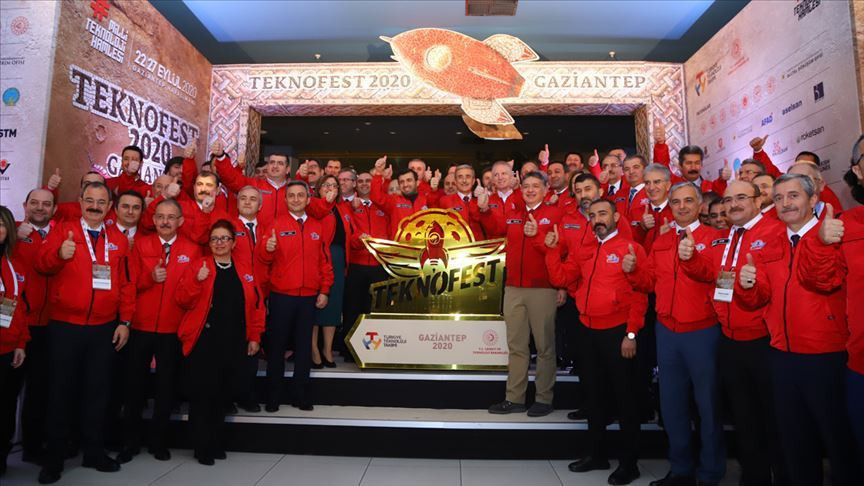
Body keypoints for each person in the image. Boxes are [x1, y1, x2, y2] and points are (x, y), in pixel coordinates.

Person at [737, 173, 859, 486]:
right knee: (795, 439)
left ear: (813, 199)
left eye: (793, 196)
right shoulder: (771, 242)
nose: (785, 203)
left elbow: (823, 281)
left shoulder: (831, 234)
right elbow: (759, 299)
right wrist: (748, 286)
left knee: (837, 439)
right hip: (781, 354)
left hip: (825, 355)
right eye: (778, 198)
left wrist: (820, 242)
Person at [679, 180, 786, 485]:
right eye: (728, 199)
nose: (733, 204)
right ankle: (754, 478)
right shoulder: (727, 238)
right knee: (744, 418)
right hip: (730, 339)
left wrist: (750, 287)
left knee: (775, 419)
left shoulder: (775, 232)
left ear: (758, 200)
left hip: (764, 341)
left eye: (741, 197)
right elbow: (713, 276)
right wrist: (690, 258)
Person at [623, 182, 724, 486]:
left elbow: (715, 276)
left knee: (708, 407)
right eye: (676, 202)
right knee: (672, 405)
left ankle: (710, 474)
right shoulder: (662, 241)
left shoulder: (715, 239)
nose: (681, 207)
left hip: (702, 332)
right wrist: (633, 270)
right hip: (667, 332)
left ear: (700, 205)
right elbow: (649, 282)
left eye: (688, 201)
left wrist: (692, 258)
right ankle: (680, 470)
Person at [35, 181, 133, 484]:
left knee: (97, 393)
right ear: (80, 202)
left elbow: (126, 284)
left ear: (110, 207)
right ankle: (53, 460)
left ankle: (93, 452)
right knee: (60, 393)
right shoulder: (63, 231)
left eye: (101, 202)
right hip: (65, 327)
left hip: (103, 329)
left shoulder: (118, 239)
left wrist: (125, 322)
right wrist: (58, 254)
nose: (95, 206)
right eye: (89, 200)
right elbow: (41, 264)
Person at [544, 199, 646, 485]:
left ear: (616, 217)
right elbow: (561, 277)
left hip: (618, 334)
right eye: (592, 215)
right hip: (588, 332)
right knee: (593, 396)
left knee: (625, 399)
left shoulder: (631, 249)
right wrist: (552, 250)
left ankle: (629, 463)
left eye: (603, 214)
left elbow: (640, 294)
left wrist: (631, 334)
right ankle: (596, 454)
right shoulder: (584, 250)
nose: (597, 219)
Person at [117, 199, 201, 463]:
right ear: (153, 220)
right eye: (161, 217)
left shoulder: (192, 249)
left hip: (172, 330)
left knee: (166, 389)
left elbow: (191, 293)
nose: (165, 221)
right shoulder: (140, 245)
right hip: (140, 327)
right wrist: (149, 279)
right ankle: (130, 442)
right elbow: (129, 285)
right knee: (134, 387)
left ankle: (159, 442)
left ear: (180, 221)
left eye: (171, 217)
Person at [175, 220, 264, 465]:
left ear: (233, 243)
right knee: (203, 395)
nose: (219, 243)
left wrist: (255, 336)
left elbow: (256, 306)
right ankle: (201, 446)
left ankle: (216, 442)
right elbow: (182, 299)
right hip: (204, 342)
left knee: (223, 394)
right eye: (215, 238)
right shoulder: (199, 266)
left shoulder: (245, 270)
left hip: (233, 342)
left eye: (225, 238)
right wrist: (197, 280)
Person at [479, 171, 560, 417]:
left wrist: (537, 235)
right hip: (514, 287)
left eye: (536, 186)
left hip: (542, 289)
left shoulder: (555, 214)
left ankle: (544, 399)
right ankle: (514, 398)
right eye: (526, 186)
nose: (530, 190)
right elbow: (495, 229)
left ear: (545, 189)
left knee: (545, 347)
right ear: (520, 189)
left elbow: (558, 251)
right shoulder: (513, 214)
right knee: (516, 346)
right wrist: (484, 210)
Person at [256, 181, 334, 412]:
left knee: (303, 348)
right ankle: (273, 396)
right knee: (277, 347)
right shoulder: (275, 224)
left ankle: (300, 395)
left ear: (308, 199)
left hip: (309, 297)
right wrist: (267, 249)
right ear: (285, 199)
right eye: (291, 195)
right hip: (282, 295)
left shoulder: (317, 226)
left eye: (301, 195)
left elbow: (325, 262)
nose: (296, 199)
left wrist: (324, 290)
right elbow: (263, 259)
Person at [13, 189, 56, 464]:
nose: (40, 208)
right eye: (35, 203)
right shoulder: (10, 233)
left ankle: (32, 447)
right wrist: (12, 239)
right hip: (17, 325)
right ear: (25, 205)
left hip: (49, 326)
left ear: (54, 209)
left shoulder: (62, 235)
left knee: (40, 390)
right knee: (7, 391)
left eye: (46, 204)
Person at [342, 172, 389, 360]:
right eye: (360, 181)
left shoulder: (383, 206)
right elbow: (347, 233)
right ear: (355, 184)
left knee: (376, 309)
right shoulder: (349, 206)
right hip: (357, 264)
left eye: (368, 181)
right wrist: (358, 240)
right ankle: (350, 350)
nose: (364, 184)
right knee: (353, 308)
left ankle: (377, 351)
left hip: (379, 265)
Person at [0, 205, 30, 476]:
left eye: (1, 224)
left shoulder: (14, 263)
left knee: (6, 406)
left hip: (9, 348)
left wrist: (21, 342)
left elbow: (18, 306)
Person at [311, 175, 349, 368]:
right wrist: (325, 202)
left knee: (333, 305)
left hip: (338, 258)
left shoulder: (343, 208)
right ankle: (313, 349)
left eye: (334, 185)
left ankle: (327, 349)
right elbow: (317, 215)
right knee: (314, 304)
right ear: (319, 188)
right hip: (316, 257)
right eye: (326, 185)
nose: (331, 188)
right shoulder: (313, 205)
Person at [369, 156, 430, 238]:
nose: (405, 184)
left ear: (417, 182)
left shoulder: (425, 200)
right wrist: (378, 173)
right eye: (401, 182)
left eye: (409, 180)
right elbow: (376, 197)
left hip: (422, 244)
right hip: (400, 245)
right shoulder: (394, 201)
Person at [436, 164, 484, 238]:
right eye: (460, 177)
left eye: (468, 177)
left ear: (473, 181)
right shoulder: (445, 200)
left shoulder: (481, 199)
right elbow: (438, 226)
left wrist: (484, 206)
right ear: (455, 181)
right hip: (454, 242)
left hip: (478, 243)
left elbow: (489, 226)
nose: (464, 181)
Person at [633, 164, 673, 252]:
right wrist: (642, 228)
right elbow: (629, 245)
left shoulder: (677, 212)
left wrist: (669, 236)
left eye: (657, 182)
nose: (651, 188)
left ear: (668, 185)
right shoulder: (635, 213)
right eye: (647, 183)